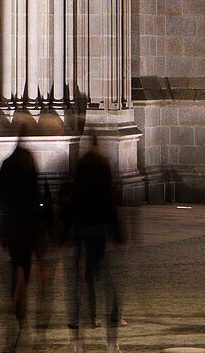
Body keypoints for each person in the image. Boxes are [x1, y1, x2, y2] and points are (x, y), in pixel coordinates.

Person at [64, 132, 123, 353]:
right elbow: (110, 200)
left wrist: (64, 234)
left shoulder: (81, 165)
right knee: (105, 281)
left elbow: (74, 200)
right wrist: (118, 234)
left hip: (81, 229)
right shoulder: (103, 166)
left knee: (78, 283)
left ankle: (77, 338)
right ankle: (111, 340)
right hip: (99, 229)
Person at [0, 127, 41, 351]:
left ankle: (17, 301)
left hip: (13, 227)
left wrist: (0, 230)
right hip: (28, 227)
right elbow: (37, 198)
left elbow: (0, 200)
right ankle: (21, 298)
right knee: (25, 265)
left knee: (16, 265)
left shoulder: (7, 164)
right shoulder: (28, 164)